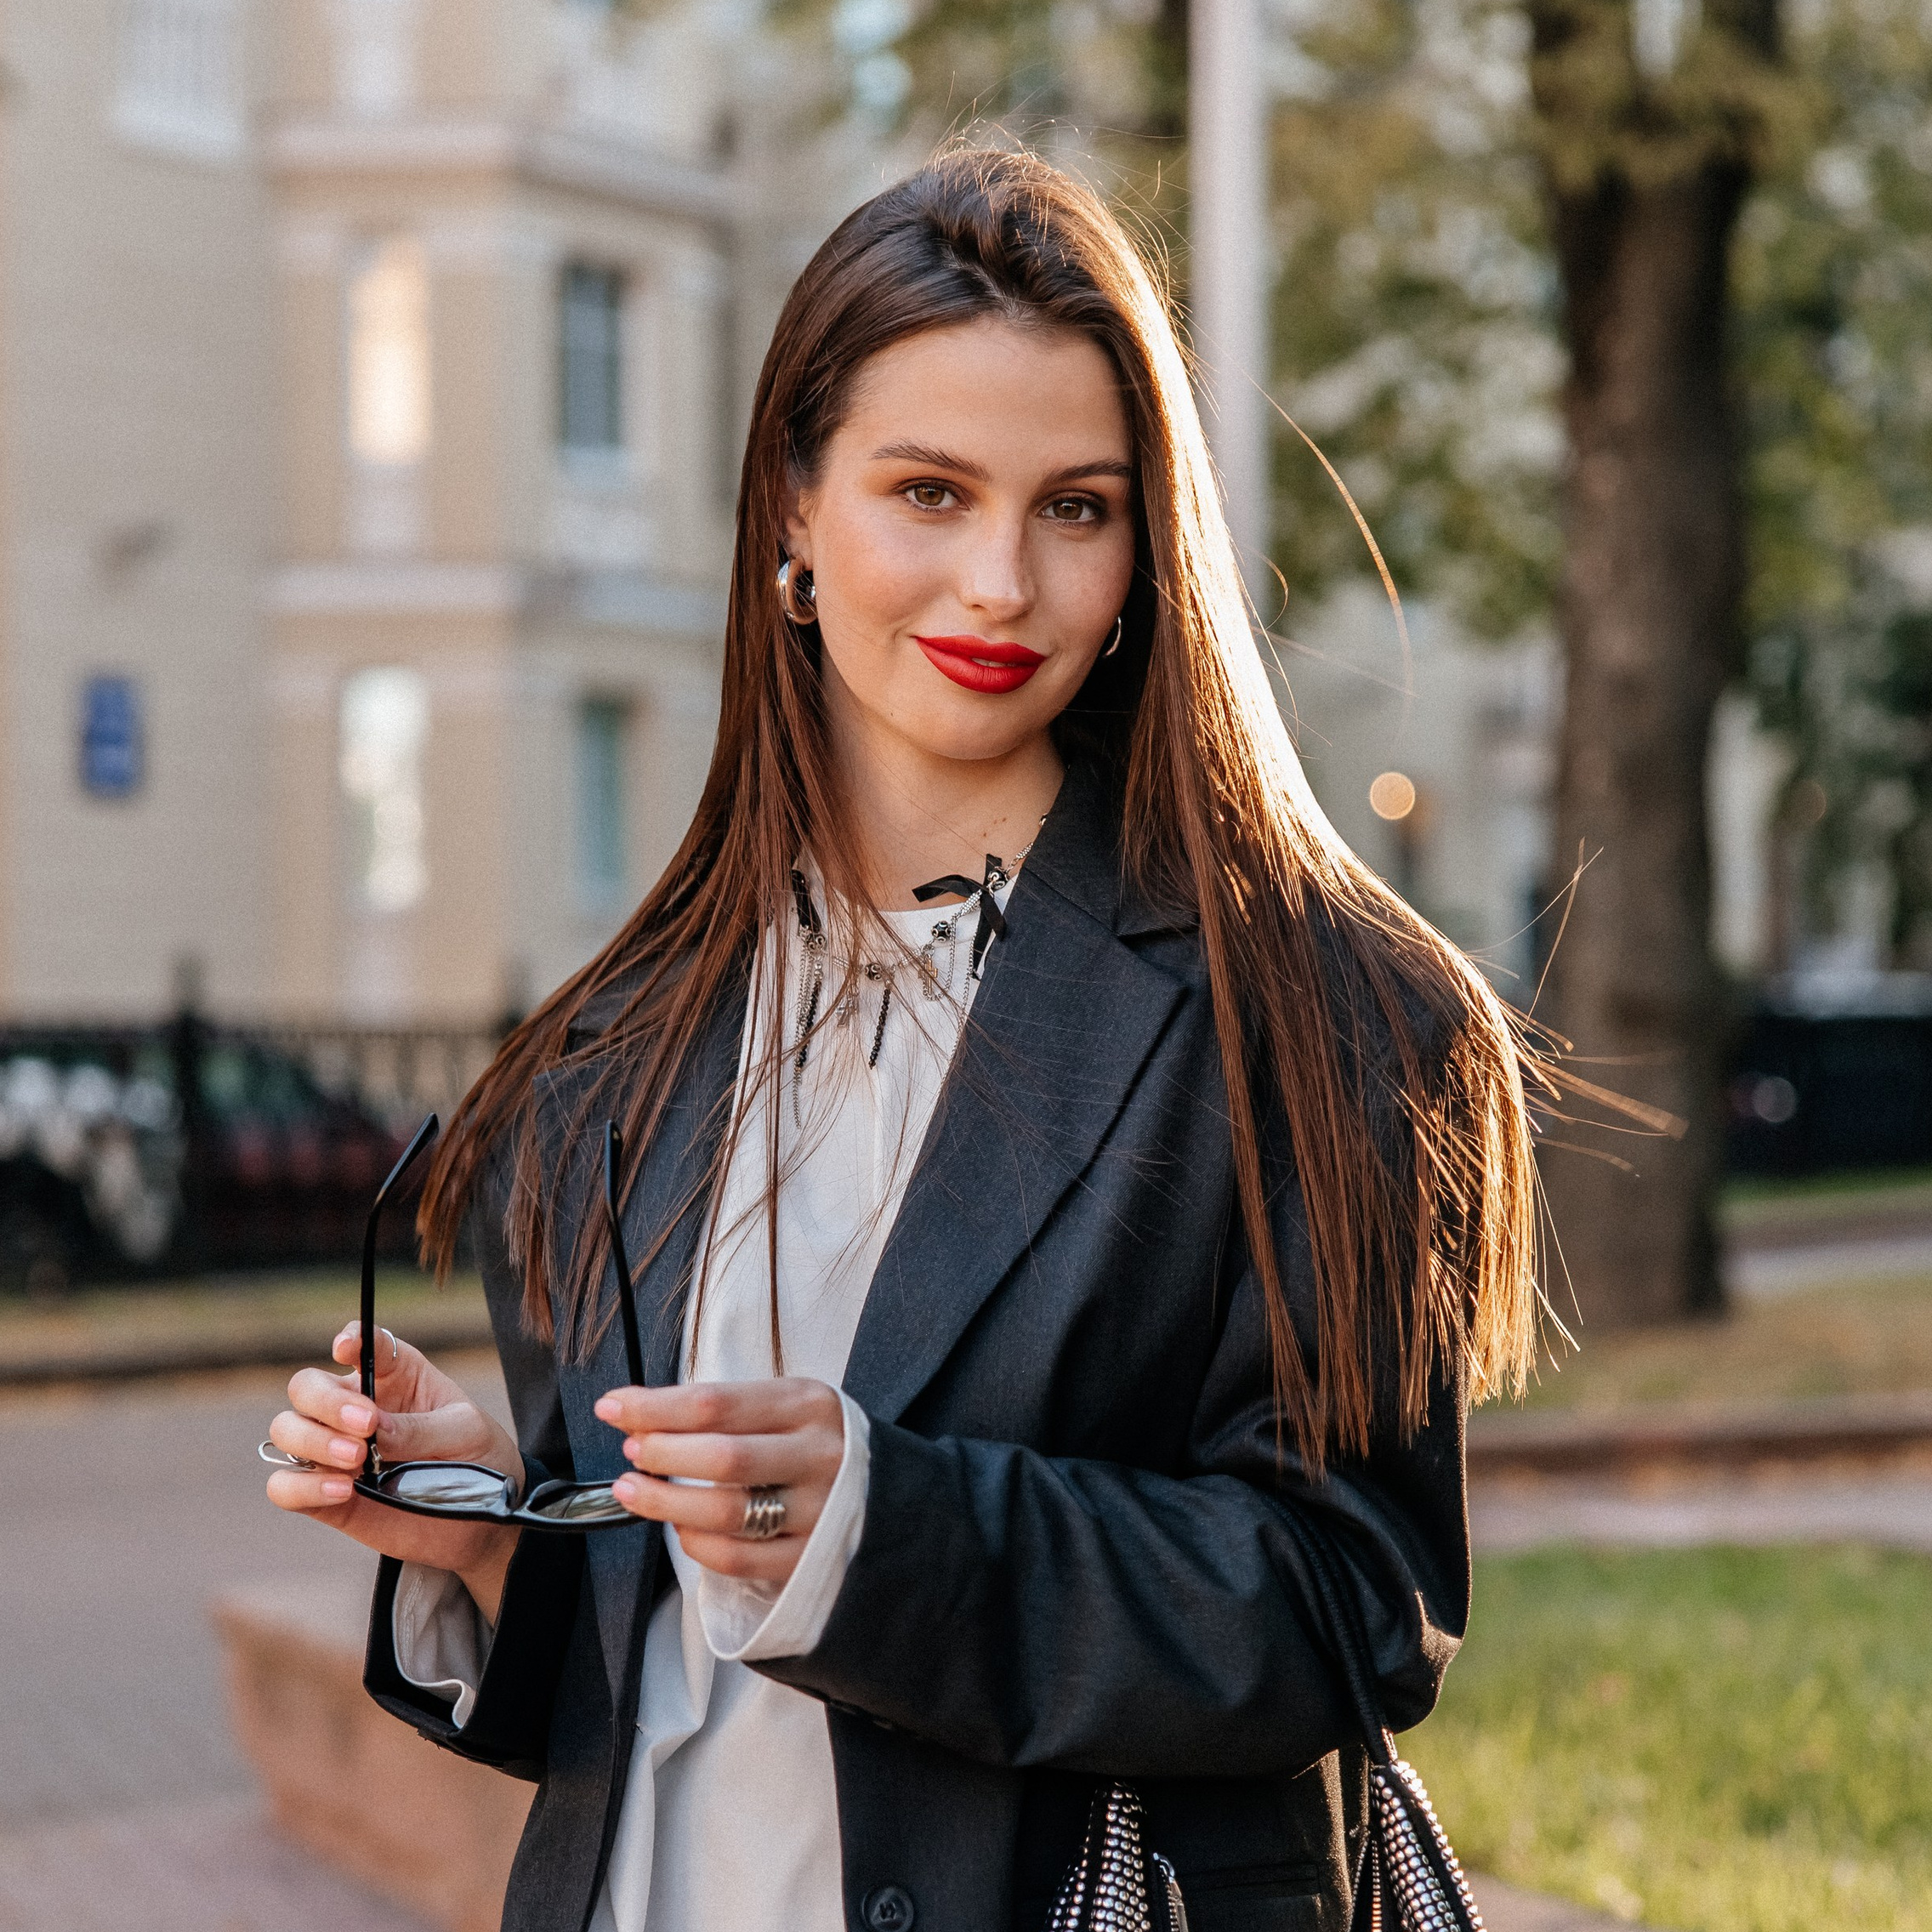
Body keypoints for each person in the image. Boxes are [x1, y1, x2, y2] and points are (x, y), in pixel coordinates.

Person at [265, 146, 1540, 1932]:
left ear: (1146, 544)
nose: (1000, 582)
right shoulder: (613, 1056)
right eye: (928, 491)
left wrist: (884, 1529)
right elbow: (655, 1692)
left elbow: (1349, 1608)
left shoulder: (1328, 1015)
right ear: (793, 509)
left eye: (1075, 508)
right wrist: (490, 1533)